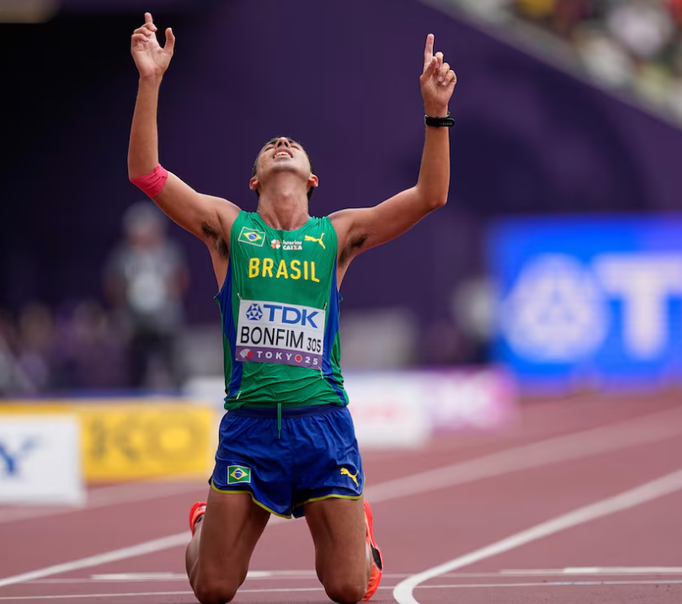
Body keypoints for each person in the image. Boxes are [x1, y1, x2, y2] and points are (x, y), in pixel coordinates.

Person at [128, 12, 457, 604]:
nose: (282, 144)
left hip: (322, 423)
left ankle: (360, 536)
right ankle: (207, 521)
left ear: (311, 180)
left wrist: (436, 112)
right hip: (250, 426)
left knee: (348, 589)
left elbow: (431, 196)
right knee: (214, 588)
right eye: (271, 147)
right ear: (255, 180)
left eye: (294, 147)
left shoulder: (338, 235)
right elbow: (145, 173)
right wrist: (150, 79)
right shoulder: (230, 228)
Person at [105, 201, 188, 389]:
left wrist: (170, 295)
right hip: (135, 321)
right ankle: (133, 398)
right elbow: (114, 284)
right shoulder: (122, 256)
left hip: (165, 319)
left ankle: (179, 395)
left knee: (173, 363)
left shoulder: (169, 252)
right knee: (135, 367)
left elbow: (180, 278)